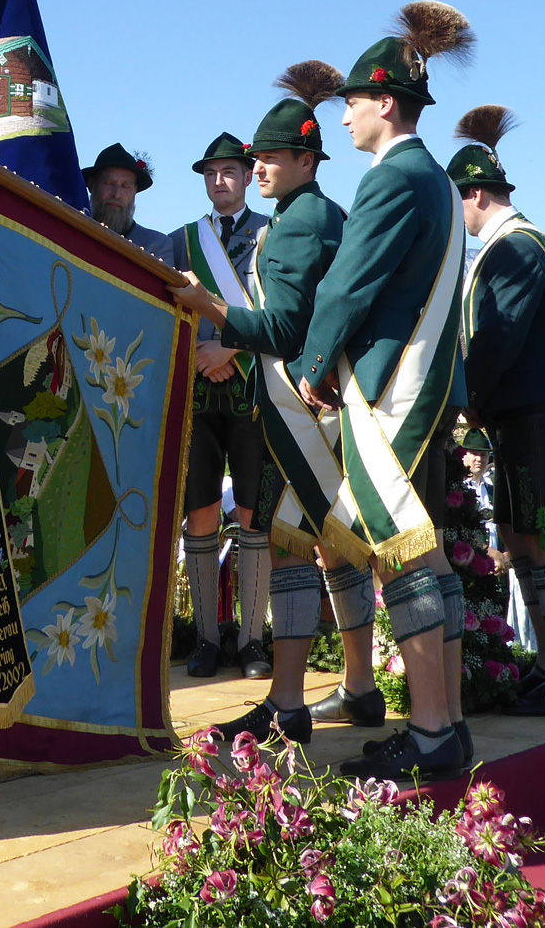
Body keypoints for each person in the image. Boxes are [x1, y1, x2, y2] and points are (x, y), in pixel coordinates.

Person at [296, 2, 476, 779]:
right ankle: (449, 723)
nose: (342, 120)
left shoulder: (393, 177)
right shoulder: (434, 179)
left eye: (351, 105)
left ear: (386, 104)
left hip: (388, 391)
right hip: (422, 385)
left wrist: (309, 363)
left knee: (400, 558)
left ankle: (433, 734)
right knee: (426, 556)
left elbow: (347, 284)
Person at [171, 62, 352, 742]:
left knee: (284, 542)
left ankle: (282, 696)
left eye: (265, 159)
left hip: (279, 400)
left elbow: (282, 327)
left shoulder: (293, 226)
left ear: (303, 160)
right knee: (319, 547)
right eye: (251, 160)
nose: (252, 169)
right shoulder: (322, 215)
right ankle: (351, 683)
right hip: (266, 398)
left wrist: (211, 309)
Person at [447, 104, 545, 715]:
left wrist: (466, 400)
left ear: (475, 194)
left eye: (456, 201)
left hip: (537, 411)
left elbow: (496, 341)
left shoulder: (515, 249)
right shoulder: (512, 247)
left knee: (541, 533)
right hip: (521, 413)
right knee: (515, 533)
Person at [167, 132, 271, 679]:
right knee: (201, 510)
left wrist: (229, 346)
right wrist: (199, 356)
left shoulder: (269, 234)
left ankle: (252, 640)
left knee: (252, 513)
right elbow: (163, 306)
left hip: (252, 387)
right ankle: (208, 639)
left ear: (248, 176)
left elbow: (277, 309)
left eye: (229, 171)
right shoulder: (183, 241)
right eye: (211, 173)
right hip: (199, 391)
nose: (219, 181)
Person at [82, 143, 171, 261]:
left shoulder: (156, 245)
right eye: (109, 183)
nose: (116, 194)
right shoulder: (73, 229)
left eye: (125, 186)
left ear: (135, 191)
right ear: (91, 185)